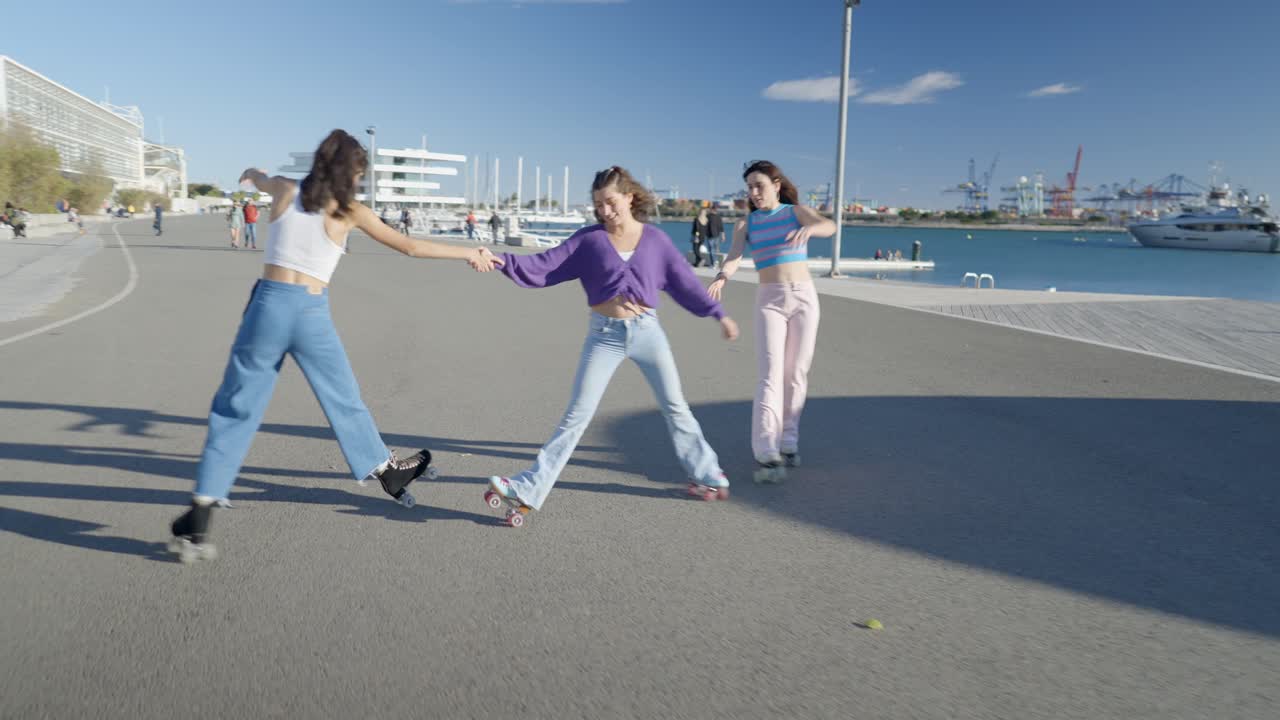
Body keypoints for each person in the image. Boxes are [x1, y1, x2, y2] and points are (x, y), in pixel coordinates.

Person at [166, 129, 504, 563]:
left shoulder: (286, 190)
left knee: (236, 406)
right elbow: (412, 246)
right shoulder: (349, 211)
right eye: (360, 172)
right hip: (309, 312)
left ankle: (201, 513)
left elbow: (262, 177)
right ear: (351, 171)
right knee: (343, 398)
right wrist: (469, 254)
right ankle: (386, 472)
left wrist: (251, 173)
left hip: (268, 306)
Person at [482, 166, 738, 527]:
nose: (604, 211)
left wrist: (719, 314)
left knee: (675, 406)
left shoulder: (657, 241)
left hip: (648, 333)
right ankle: (529, 488)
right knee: (576, 416)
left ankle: (709, 474)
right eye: (598, 204)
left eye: (610, 202)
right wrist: (500, 261)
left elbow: (685, 284)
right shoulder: (589, 241)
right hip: (604, 336)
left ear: (630, 197)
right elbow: (545, 263)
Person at [707, 160, 835, 484]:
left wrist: (811, 228)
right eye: (749, 187)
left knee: (796, 373)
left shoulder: (796, 212)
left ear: (776, 185)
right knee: (770, 374)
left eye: (758, 185)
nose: (753, 192)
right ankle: (766, 449)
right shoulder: (746, 223)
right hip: (770, 300)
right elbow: (735, 255)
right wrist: (723, 277)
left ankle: (788, 441)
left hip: (804, 297)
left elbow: (829, 227)